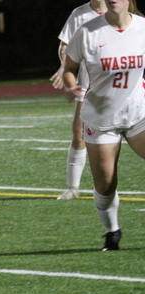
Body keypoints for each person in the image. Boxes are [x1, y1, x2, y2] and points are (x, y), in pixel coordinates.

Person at [62, 0, 145, 250]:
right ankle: (112, 232)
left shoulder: (143, 27)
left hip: (139, 113)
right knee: (106, 184)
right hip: (101, 118)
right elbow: (69, 67)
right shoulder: (87, 31)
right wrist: (70, 85)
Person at [50, 1, 107, 201]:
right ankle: (73, 188)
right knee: (79, 133)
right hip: (88, 83)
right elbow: (64, 45)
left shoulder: (120, 11)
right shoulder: (79, 14)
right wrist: (65, 68)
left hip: (119, 85)